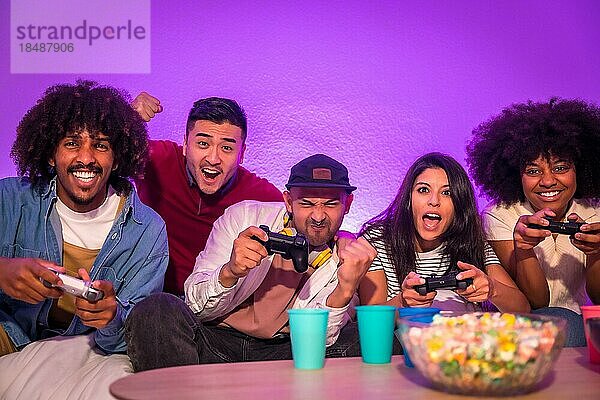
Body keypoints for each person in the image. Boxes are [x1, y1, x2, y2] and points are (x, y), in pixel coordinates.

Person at [125, 154, 377, 371]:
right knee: (155, 309)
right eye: (307, 203)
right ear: (288, 201)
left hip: (286, 354)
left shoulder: (350, 255)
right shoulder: (244, 216)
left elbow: (318, 343)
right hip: (216, 340)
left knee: (372, 337)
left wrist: (345, 290)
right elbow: (195, 304)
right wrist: (230, 272)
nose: (318, 216)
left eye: (331, 204)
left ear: (348, 205)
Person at [0, 81, 168, 357]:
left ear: (116, 159)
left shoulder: (147, 232)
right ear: (52, 155)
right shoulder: (9, 200)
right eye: (72, 143)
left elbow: (136, 337)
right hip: (8, 331)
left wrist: (111, 318)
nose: (86, 158)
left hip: (84, 351)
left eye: (100, 145)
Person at [466, 98, 600, 346]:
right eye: (534, 171)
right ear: (517, 176)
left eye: (560, 168)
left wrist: (595, 253)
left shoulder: (595, 213)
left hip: (582, 326)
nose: (548, 181)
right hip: (523, 328)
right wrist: (524, 250)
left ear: (579, 170)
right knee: (559, 321)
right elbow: (535, 304)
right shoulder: (500, 215)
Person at [131, 93, 283, 296]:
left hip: (218, 309)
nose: (213, 158)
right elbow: (95, 155)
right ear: (185, 144)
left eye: (227, 148)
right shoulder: (157, 160)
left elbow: (307, 216)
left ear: (242, 153)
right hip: (147, 297)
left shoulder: (259, 196)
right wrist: (128, 118)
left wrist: (341, 238)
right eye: (203, 144)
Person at [358, 153, 529, 313]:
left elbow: (523, 308)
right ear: (408, 198)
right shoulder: (377, 241)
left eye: (447, 193)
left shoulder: (470, 241)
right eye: (423, 190)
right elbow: (372, 321)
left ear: (459, 204)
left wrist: (492, 289)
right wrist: (403, 301)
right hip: (405, 339)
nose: (434, 201)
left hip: (463, 337)